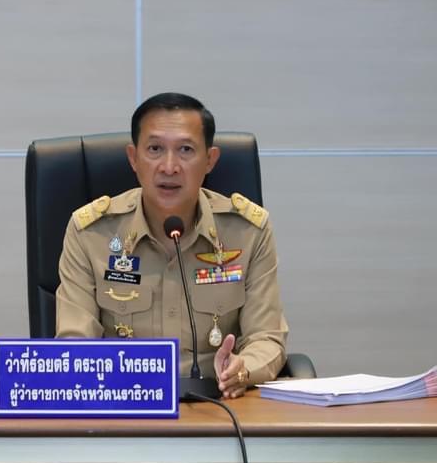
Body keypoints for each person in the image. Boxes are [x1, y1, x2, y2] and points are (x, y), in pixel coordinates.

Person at [55, 92, 288, 398]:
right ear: (133, 158)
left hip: (219, 402)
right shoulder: (90, 233)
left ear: (210, 160)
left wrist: (242, 369)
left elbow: (266, 337)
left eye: (185, 150)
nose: (169, 167)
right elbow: (75, 344)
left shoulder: (247, 232)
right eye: (155, 149)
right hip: (124, 402)